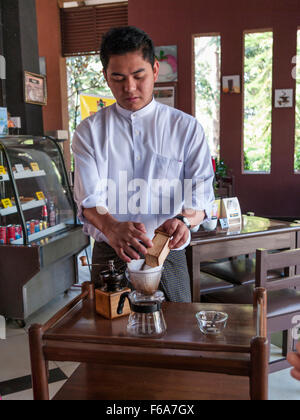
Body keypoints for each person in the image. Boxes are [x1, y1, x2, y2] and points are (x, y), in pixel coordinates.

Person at [72, 26, 214, 302]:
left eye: (139, 76)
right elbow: (89, 200)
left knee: (175, 337)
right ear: (105, 77)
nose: (130, 88)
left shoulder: (185, 128)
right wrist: (112, 228)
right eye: (118, 78)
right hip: (109, 254)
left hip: (167, 252)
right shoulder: (89, 132)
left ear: (155, 70)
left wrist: (184, 220)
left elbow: (201, 195)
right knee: (110, 340)